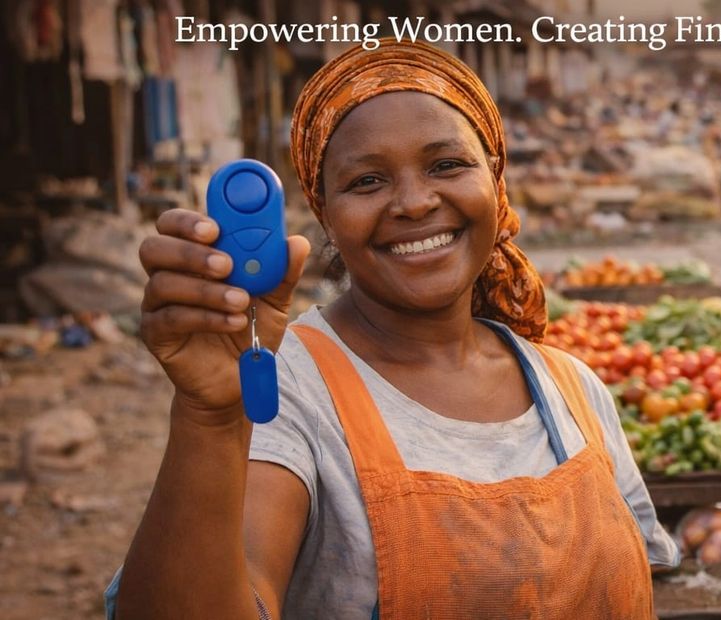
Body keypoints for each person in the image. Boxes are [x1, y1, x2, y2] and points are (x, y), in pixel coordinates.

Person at [107, 40, 676, 620]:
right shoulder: (284, 393)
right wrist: (208, 417)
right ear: (324, 212)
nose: (413, 202)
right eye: (367, 181)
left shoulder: (573, 390)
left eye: (447, 165)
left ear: (497, 184)